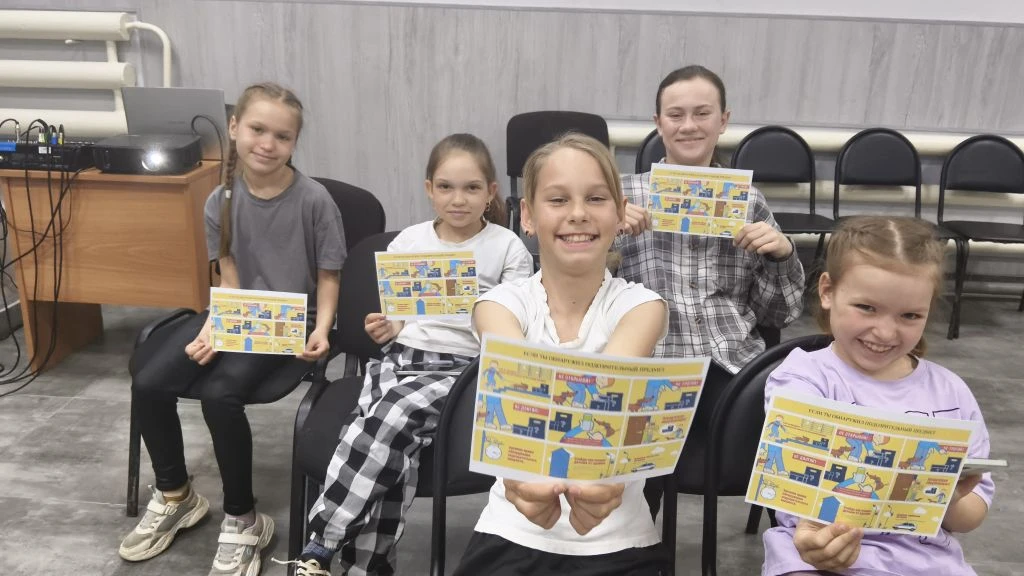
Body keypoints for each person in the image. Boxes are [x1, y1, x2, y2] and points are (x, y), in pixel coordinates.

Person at [120, 83, 345, 576]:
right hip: (241, 311)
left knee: (219, 394)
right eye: (258, 129)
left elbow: (330, 277)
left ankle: (244, 518)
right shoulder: (218, 201)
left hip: (292, 323)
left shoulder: (314, 200)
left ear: (294, 143)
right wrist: (216, 326)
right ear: (235, 128)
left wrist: (324, 329)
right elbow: (230, 277)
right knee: (149, 380)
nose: (268, 144)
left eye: (282, 136)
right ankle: (176, 495)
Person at [285, 133, 534, 576]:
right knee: (383, 439)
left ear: (491, 192)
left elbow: (516, 328)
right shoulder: (407, 243)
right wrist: (387, 327)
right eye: (446, 187)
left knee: (391, 415)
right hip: (400, 358)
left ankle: (322, 540)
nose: (458, 199)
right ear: (429, 189)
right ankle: (368, 567)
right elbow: (398, 319)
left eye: (472, 188)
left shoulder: (507, 246)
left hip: (465, 369)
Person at [453, 133, 670, 575]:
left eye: (596, 198)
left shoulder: (643, 307)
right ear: (528, 216)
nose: (577, 214)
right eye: (557, 199)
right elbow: (518, 399)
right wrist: (519, 479)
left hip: (621, 539)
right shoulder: (497, 305)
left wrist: (605, 482)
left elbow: (606, 397)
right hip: (511, 534)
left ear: (619, 214)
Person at [615, 64, 805, 516]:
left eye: (702, 113)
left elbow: (778, 314)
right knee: (629, 476)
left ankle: (798, 545)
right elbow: (577, 289)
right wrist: (606, 237)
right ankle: (635, 546)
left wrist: (781, 256)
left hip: (729, 359)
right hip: (648, 362)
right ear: (658, 122)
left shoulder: (749, 200)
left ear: (723, 120)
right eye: (675, 114)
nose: (689, 125)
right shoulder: (622, 195)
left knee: (790, 451)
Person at [762, 216, 994, 576]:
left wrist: (947, 497)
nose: (885, 332)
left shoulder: (952, 393)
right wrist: (815, 540)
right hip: (813, 555)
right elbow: (797, 497)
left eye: (910, 315)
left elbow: (970, 515)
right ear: (827, 291)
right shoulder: (803, 379)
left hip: (927, 563)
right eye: (867, 308)